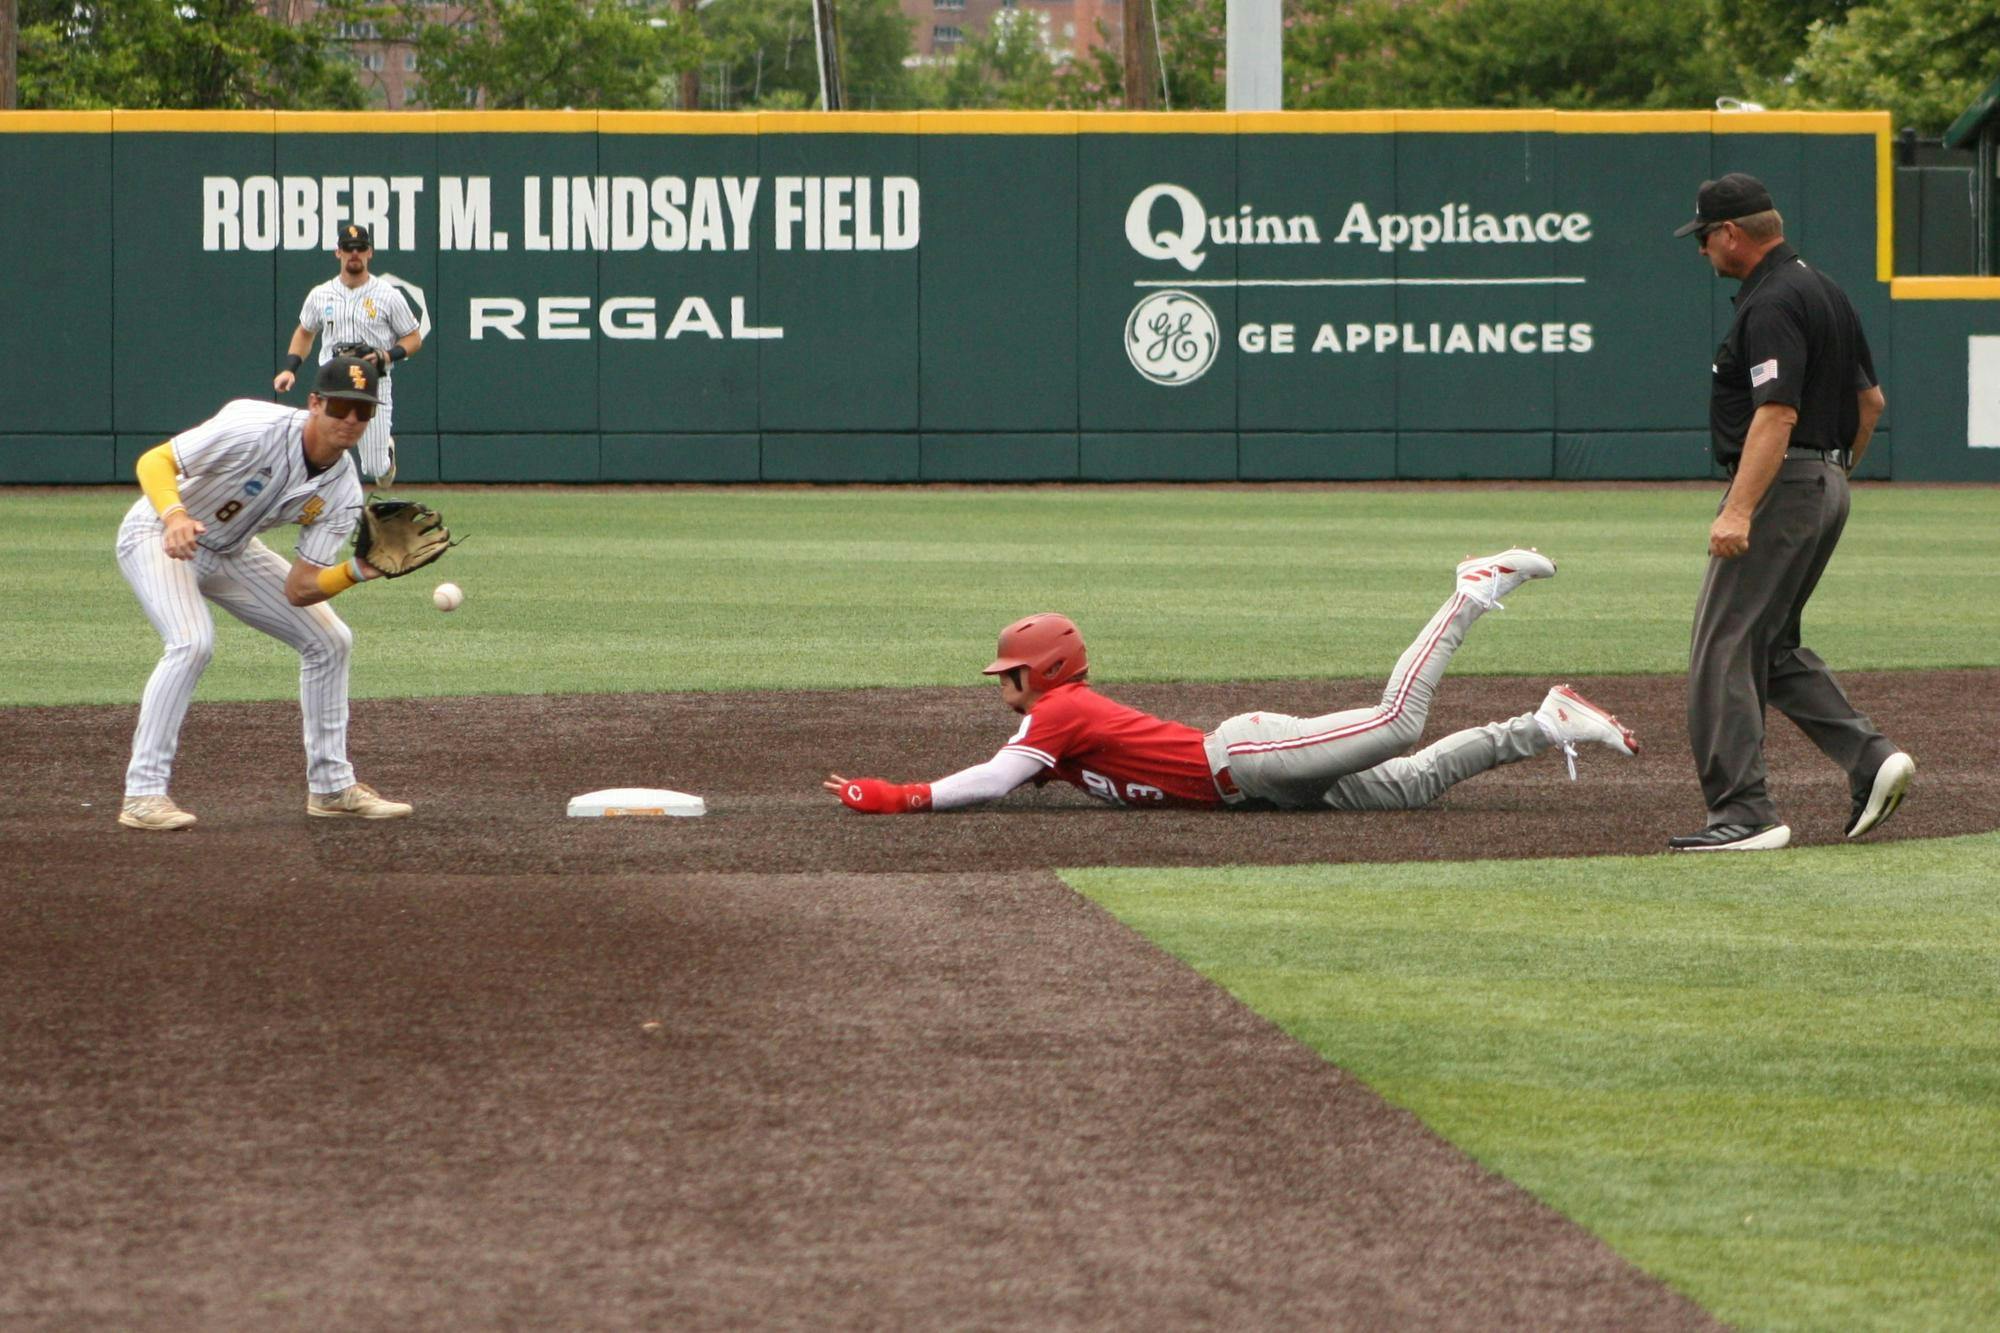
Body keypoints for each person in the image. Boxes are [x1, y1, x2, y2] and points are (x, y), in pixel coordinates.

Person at [824, 550, 1637, 816]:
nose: (1003, 684)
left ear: (1046, 674)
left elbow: (997, 777)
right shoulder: (1057, 722)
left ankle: (1471, 588)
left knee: (1398, 724)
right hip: (1261, 788)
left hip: (1248, 759)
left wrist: (902, 795)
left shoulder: (1061, 710)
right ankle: (1546, 723)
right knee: (1413, 784)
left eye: (1012, 673)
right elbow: (1022, 767)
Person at [1668, 173, 1913, 852]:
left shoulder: (1772, 300)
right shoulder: (1823, 287)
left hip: (1785, 481)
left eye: (1705, 238)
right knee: (1769, 648)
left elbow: (1776, 412)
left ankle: (1744, 813)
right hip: (1826, 478)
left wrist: (1741, 509)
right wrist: (1831, 473)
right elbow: (1871, 405)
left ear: (1733, 234)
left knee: (1722, 646)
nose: (1701, 251)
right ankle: (1871, 757)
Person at [116, 356, 413, 831]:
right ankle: (144, 795)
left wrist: (358, 569)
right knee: (192, 642)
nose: (351, 420)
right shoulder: (254, 425)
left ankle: (332, 787)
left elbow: (300, 590)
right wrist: (174, 516)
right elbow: (156, 460)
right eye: (340, 406)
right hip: (158, 532)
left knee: (329, 641)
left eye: (364, 411)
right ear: (315, 403)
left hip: (232, 549)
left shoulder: (342, 489)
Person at [272, 223, 422, 491]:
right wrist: (290, 369)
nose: (355, 253)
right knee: (319, 449)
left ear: (370, 252)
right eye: (348, 248)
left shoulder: (387, 295)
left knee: (376, 469)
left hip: (373, 382)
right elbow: (305, 332)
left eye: (360, 248)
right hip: (333, 383)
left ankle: (385, 453)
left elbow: (413, 337)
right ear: (338, 253)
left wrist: (386, 354)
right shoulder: (321, 294)